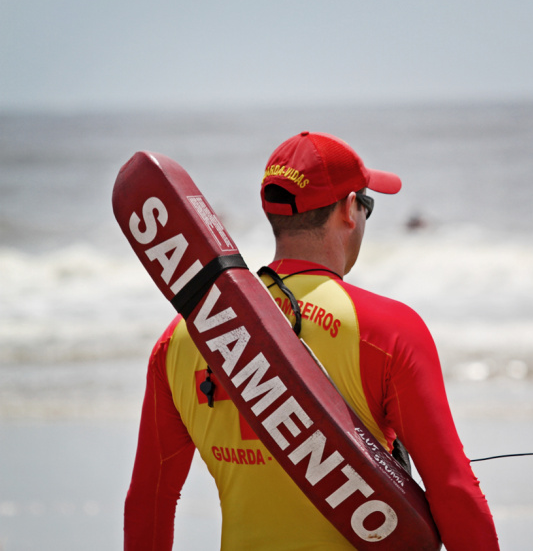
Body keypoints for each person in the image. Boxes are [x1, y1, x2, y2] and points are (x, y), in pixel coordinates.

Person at [124, 131, 500, 550]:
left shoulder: (180, 338)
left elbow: (150, 502)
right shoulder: (388, 330)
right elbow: (454, 491)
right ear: (347, 210)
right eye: (367, 205)